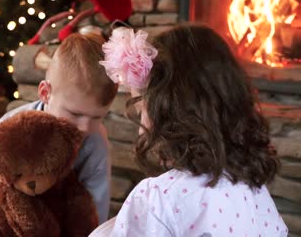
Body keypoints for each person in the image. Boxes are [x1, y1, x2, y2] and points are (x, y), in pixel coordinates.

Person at [93, 25, 287, 236]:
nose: (141, 132)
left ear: (169, 111)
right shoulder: (254, 189)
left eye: (143, 111)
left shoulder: (159, 198)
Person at [0, 33, 117, 237]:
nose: (84, 126)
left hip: (56, 216)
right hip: (4, 203)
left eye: (97, 117)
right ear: (45, 93)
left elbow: (97, 200)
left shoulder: (95, 142)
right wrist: (3, 179)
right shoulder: (15, 122)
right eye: (75, 114)